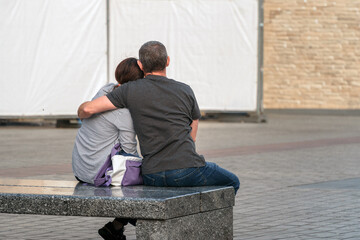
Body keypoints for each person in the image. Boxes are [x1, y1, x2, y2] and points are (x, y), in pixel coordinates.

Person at [78, 41, 240, 240]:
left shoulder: (129, 91)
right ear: (168, 61)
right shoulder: (185, 90)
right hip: (187, 168)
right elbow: (194, 125)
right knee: (233, 182)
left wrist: (82, 107)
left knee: (147, 193)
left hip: (152, 173)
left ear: (140, 65)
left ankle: (117, 225)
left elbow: (87, 110)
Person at [72, 57, 143, 184]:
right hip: (97, 174)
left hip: (79, 170)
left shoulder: (106, 89)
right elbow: (129, 152)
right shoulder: (124, 113)